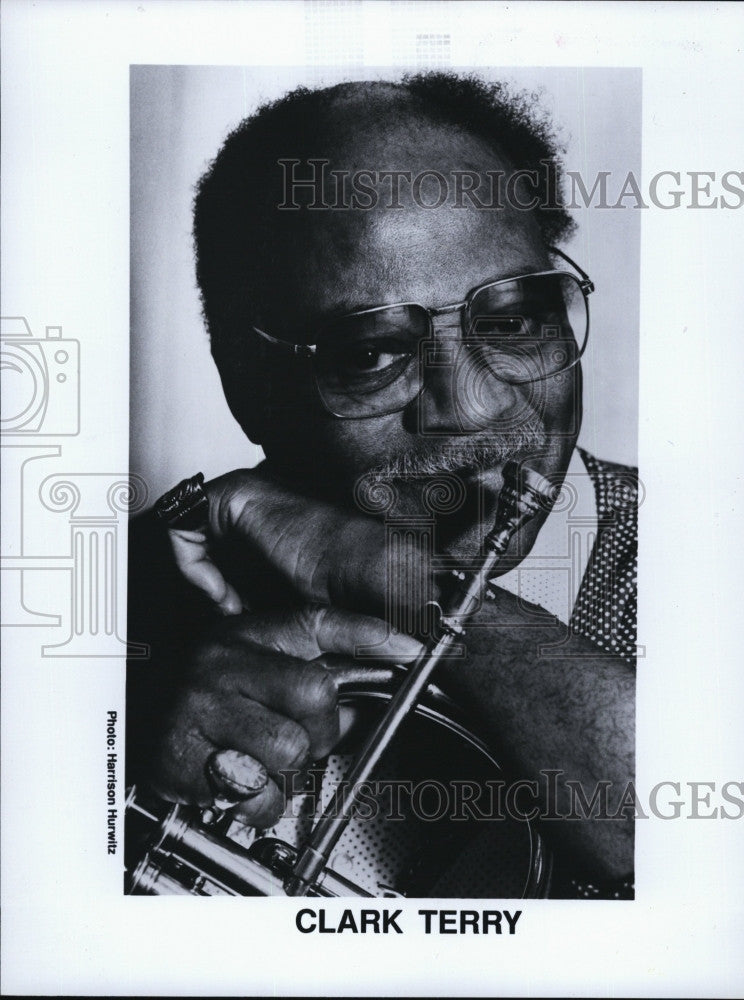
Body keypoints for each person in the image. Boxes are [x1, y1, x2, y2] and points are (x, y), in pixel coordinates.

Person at [126, 72, 637, 899]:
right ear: (246, 386)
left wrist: (390, 579)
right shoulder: (117, 608)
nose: (473, 411)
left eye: (512, 321)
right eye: (371, 352)